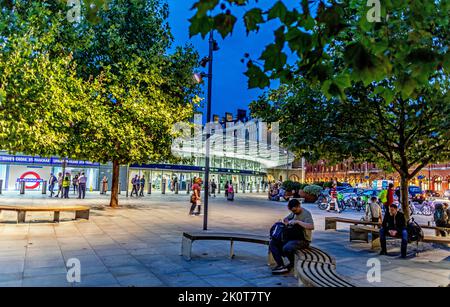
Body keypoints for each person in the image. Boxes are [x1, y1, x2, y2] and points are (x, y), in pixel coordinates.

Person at [270, 199, 315, 274]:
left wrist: (297, 222)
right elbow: (286, 218)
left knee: (286, 248)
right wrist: (286, 221)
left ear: (299, 206)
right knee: (273, 243)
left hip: (303, 240)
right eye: (292, 211)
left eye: (295, 210)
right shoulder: (294, 213)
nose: (294, 212)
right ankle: (281, 265)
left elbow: (311, 226)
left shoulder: (306, 213)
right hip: (292, 237)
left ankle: (293, 264)